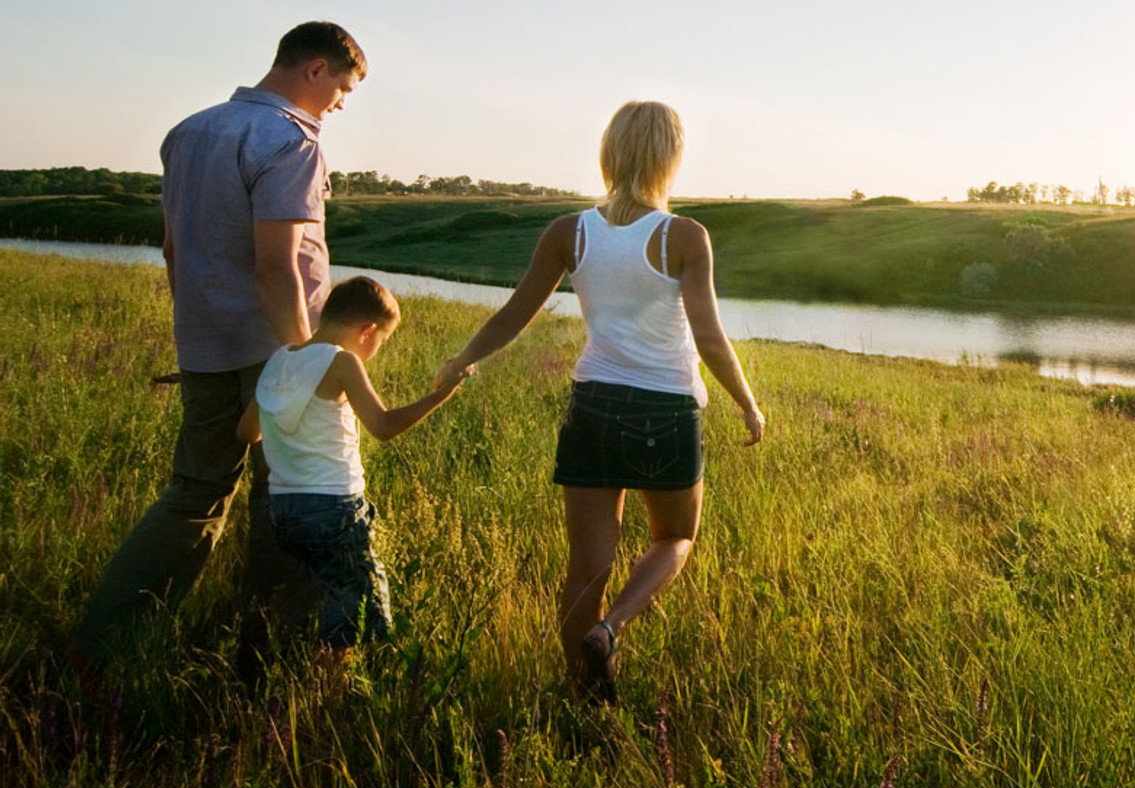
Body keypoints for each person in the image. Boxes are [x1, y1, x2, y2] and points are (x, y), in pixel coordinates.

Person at [439, 101, 765, 701]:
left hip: (592, 405)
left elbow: (517, 312)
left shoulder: (571, 231)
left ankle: (583, 694)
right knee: (675, 538)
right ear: (670, 158)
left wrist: (464, 358)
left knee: (585, 569)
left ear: (610, 153)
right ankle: (611, 629)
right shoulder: (684, 236)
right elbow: (711, 336)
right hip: (665, 411)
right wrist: (746, 401)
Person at [68, 21, 367, 669]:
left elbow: (174, 247)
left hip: (204, 343)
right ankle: (264, 652)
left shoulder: (189, 131)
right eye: (342, 89)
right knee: (287, 497)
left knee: (193, 492)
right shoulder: (290, 138)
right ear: (315, 69)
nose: (341, 105)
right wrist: (302, 363)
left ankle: (107, 639)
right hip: (276, 350)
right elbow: (277, 267)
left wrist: (194, 330)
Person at [238, 277, 471, 663]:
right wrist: (442, 394)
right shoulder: (341, 361)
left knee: (307, 603)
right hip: (334, 508)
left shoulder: (278, 360)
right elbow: (382, 426)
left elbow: (246, 432)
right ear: (367, 330)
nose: (379, 348)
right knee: (354, 617)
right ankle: (326, 700)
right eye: (384, 338)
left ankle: (285, 676)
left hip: (282, 509)